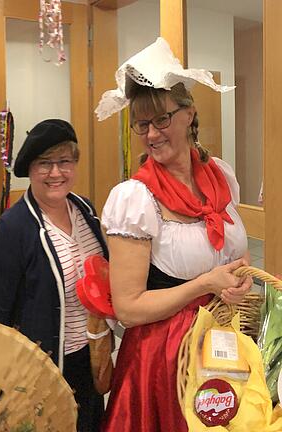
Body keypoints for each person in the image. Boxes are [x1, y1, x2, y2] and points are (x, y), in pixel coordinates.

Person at [95, 38, 251, 431]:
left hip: (223, 341)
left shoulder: (221, 174)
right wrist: (204, 283)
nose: (151, 134)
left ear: (188, 114)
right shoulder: (134, 199)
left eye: (161, 120)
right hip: (164, 358)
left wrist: (237, 280)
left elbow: (233, 256)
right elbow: (128, 308)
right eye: (141, 124)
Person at [0, 119, 107, 431]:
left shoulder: (85, 211)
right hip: (42, 368)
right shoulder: (13, 228)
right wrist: (0, 388)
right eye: (44, 164)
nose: (55, 173)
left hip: (89, 359)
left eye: (64, 161)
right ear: (30, 169)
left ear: (75, 164)